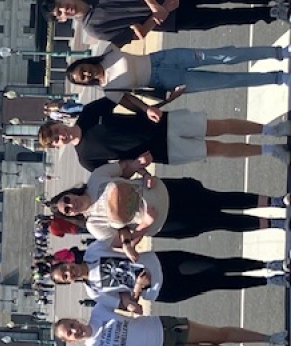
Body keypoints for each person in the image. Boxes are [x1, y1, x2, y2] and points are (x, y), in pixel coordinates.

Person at [47, 163, 289, 257]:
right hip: (165, 221)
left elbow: (127, 167)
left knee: (220, 198)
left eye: (66, 200)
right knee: (220, 221)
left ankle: (276, 202)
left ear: (70, 192)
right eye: (67, 210)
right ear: (72, 215)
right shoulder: (94, 225)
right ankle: (275, 225)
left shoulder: (97, 177)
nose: (71, 205)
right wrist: (144, 224)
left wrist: (145, 174)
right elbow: (124, 241)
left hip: (168, 191)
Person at [38, 97, 290, 172]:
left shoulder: (90, 113)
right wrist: (139, 165)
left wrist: (146, 108)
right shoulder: (85, 158)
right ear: (58, 146)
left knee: (219, 125)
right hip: (161, 152)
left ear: (60, 123)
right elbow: (119, 170)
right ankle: (271, 151)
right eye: (56, 140)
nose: (61, 136)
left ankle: (271, 130)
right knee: (218, 149)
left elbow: (122, 97)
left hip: (164, 124)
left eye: (57, 131)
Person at [49, 240, 289, 308]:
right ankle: (269, 280)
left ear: (67, 262)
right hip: (162, 289)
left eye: (65, 268)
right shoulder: (96, 292)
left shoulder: (93, 251)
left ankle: (271, 263)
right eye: (66, 277)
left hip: (162, 262)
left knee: (215, 264)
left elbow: (122, 235)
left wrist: (128, 247)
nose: (69, 272)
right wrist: (138, 288)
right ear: (69, 283)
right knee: (215, 282)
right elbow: (130, 304)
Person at [66, 45, 290, 117]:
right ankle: (278, 78)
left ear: (85, 62)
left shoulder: (108, 50)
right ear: (86, 84)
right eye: (83, 78)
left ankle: (278, 52)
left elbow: (131, 27)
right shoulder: (110, 90)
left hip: (164, 57)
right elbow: (139, 106)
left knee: (224, 54)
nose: (86, 74)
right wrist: (162, 104)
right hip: (165, 80)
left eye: (83, 70)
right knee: (225, 81)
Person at [53, 307, 287, 346]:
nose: (75, 331)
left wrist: (135, 298)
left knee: (219, 334)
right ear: (71, 341)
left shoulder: (99, 311)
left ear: (75, 320)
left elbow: (127, 300)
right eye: (70, 334)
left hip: (163, 328)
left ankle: (269, 337)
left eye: (71, 325)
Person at [40, 0, 287, 48]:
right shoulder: (93, 28)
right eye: (60, 13)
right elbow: (136, 35)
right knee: (222, 18)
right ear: (62, 19)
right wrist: (160, 13)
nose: (65, 9)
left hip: (163, 3)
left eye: (60, 4)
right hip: (171, 18)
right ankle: (272, 13)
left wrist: (154, 4)